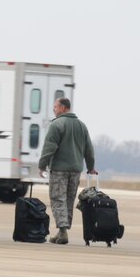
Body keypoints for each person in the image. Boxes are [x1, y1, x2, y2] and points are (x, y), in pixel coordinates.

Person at [38, 97, 96, 245]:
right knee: (69, 200)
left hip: (59, 169)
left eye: (55, 107)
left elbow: (49, 147)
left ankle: (63, 231)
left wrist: (42, 165)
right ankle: (61, 232)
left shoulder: (57, 124)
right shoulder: (82, 126)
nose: (54, 109)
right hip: (76, 170)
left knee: (58, 199)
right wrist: (90, 167)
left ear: (63, 108)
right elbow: (89, 149)